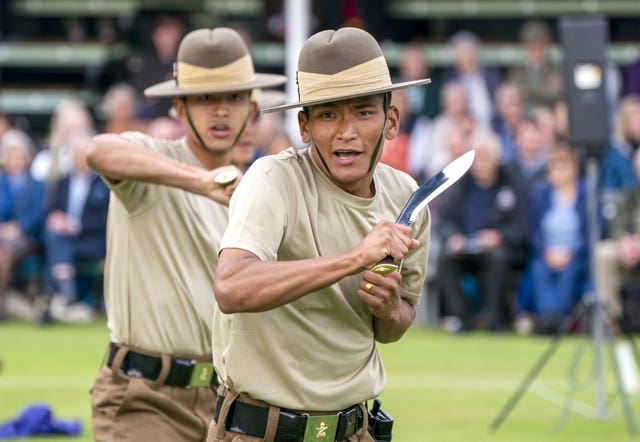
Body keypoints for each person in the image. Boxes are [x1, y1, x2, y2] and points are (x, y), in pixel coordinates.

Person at [208, 27, 431, 442]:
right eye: (328, 114)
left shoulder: (407, 197)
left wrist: (389, 308)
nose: (346, 130)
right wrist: (354, 258)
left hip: (353, 429)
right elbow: (231, 286)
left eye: (363, 112)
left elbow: (395, 326)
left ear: (391, 121)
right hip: (260, 431)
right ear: (305, 127)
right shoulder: (273, 180)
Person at [87, 27, 285, 442]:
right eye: (205, 98)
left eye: (233, 98)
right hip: (145, 397)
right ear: (179, 107)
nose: (220, 111)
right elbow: (98, 151)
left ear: (252, 109)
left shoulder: (260, 191)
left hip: (227, 402)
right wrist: (198, 181)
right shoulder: (155, 161)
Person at [437, 130, 529, 333]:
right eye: (478, 158)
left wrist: (499, 236)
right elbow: (445, 221)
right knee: (444, 258)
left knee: (498, 258)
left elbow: (522, 226)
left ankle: (496, 318)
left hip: (501, 249)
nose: (482, 163)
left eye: (486, 157)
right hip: (466, 248)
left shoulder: (513, 182)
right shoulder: (461, 185)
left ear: (497, 158)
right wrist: (453, 238)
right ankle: (462, 317)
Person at [515, 143, 590, 335]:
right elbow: (533, 231)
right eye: (552, 167)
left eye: (560, 166)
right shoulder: (540, 194)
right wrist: (547, 252)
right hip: (545, 252)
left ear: (573, 168)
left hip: (575, 254)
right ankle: (547, 317)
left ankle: (560, 318)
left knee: (568, 272)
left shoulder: (586, 195)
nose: (555, 172)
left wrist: (569, 253)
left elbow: (592, 232)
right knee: (539, 269)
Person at [38, 132, 110, 325]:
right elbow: (51, 211)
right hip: (65, 241)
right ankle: (66, 292)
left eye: (83, 155)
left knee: (56, 246)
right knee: (55, 237)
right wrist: (56, 219)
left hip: (92, 242)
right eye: (76, 155)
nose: (80, 160)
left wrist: (74, 225)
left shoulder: (104, 182)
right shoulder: (62, 182)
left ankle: (51, 299)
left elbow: (106, 220)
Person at [0, 130, 46, 319]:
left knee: (3, 255)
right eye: (12, 154)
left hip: (27, 238)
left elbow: (38, 214)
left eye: (19, 153)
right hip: (2, 235)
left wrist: (18, 228)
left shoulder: (37, 185)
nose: (16, 158)